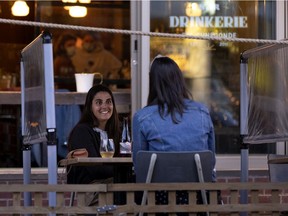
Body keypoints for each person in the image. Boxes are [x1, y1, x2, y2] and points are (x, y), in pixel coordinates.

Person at [132, 55, 218, 212]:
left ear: (153, 83)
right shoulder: (202, 112)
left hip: (158, 200)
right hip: (200, 197)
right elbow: (210, 160)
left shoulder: (142, 117)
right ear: (179, 80)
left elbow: (139, 167)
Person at [67, 84, 121, 205]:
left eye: (108, 102)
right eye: (98, 102)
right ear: (90, 107)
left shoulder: (117, 131)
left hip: (116, 185)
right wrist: (123, 171)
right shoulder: (82, 131)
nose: (104, 106)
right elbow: (95, 169)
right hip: (92, 190)